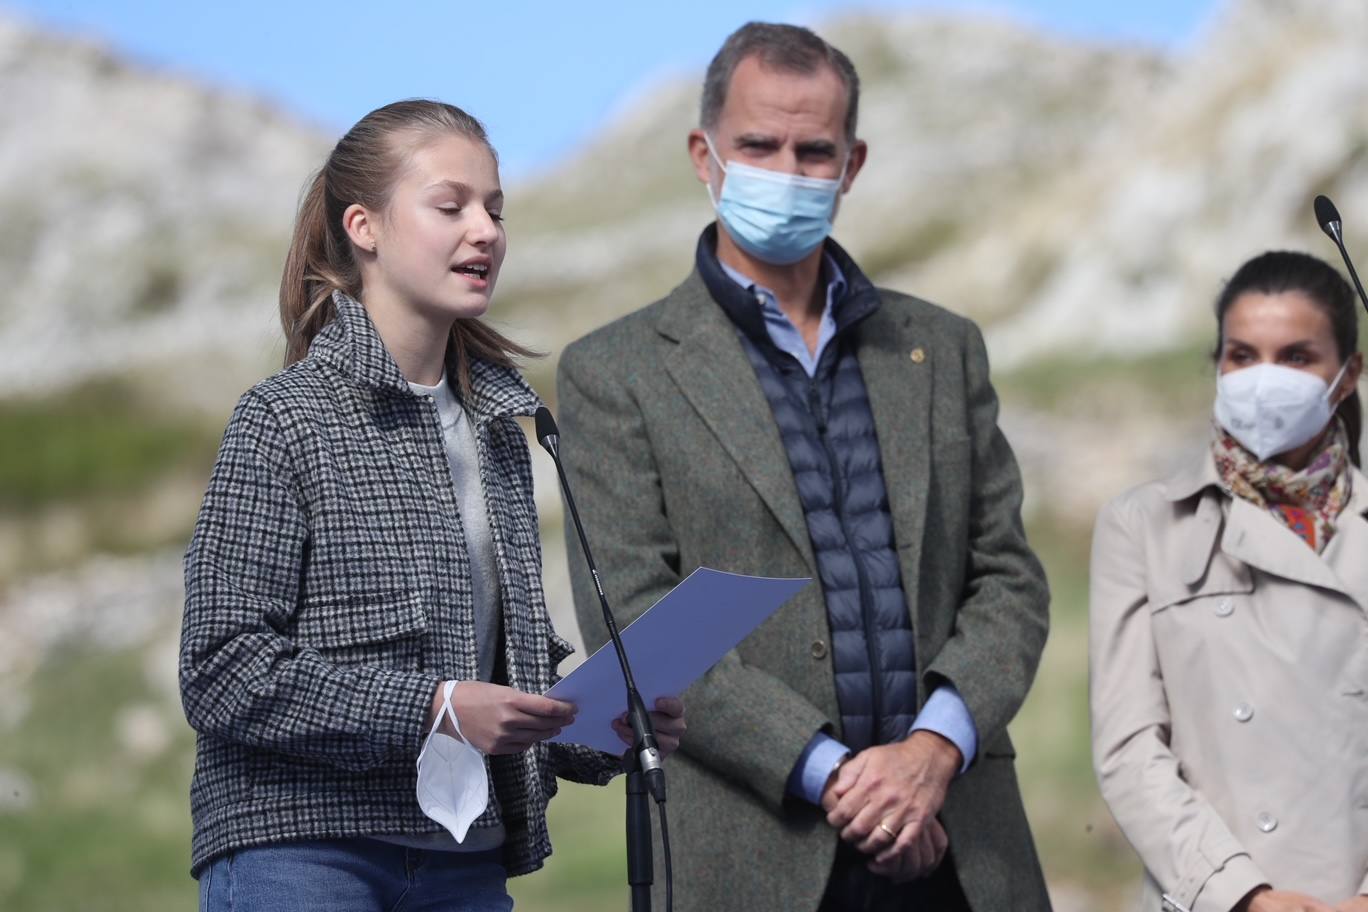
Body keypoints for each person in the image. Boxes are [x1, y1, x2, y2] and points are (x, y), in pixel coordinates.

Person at [556, 22, 1051, 912]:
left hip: (959, 849)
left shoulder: (941, 349)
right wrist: (838, 778)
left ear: (852, 164)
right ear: (704, 154)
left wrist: (933, 754)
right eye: (758, 145)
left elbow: (1008, 579)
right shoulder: (614, 370)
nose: (785, 170)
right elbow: (638, 621)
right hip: (748, 854)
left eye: (813, 150)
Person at [178, 99, 685, 912]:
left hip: (463, 864)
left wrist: (598, 726)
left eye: (495, 210)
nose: (484, 230)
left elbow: (497, 679)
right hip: (303, 855)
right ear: (364, 227)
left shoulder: (502, 437)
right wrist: (435, 708)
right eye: (450, 206)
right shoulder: (282, 418)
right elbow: (221, 670)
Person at [1090, 250, 1368, 912]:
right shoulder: (1143, 525)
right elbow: (1130, 746)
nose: (1264, 380)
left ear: (1348, 374)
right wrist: (1240, 893)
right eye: (1243, 356)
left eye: (1297, 357)